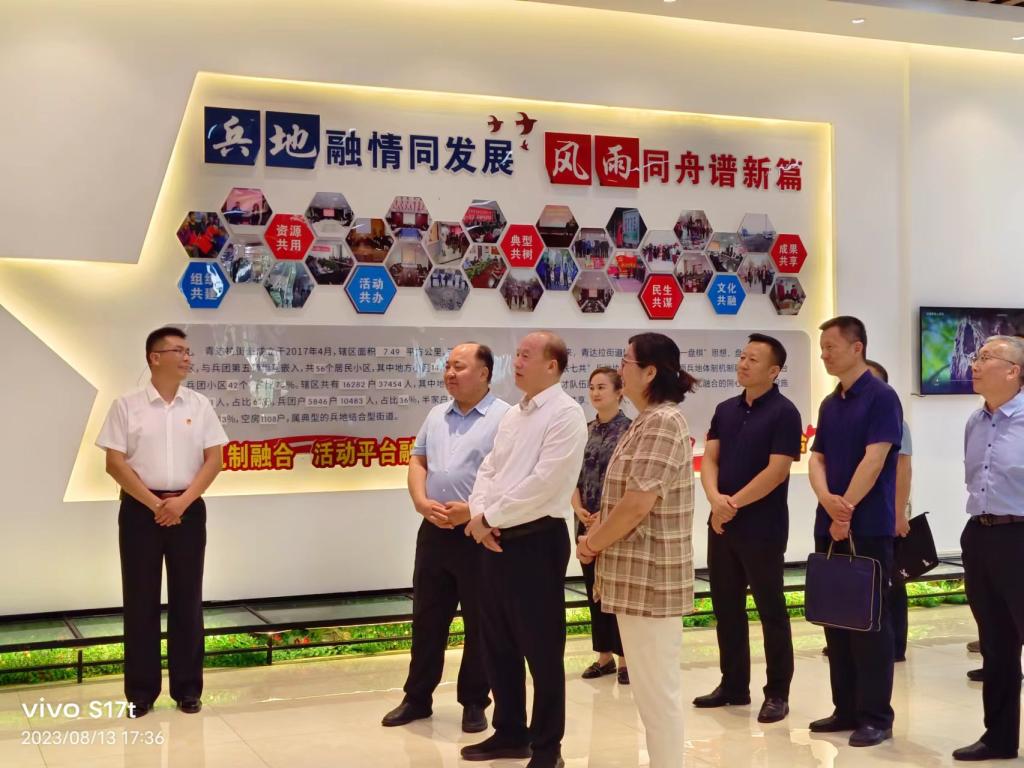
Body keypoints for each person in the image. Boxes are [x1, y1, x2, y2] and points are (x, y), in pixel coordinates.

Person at [461, 331, 587, 768]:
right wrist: (479, 517)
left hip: (536, 539)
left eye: (526, 355)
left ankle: (548, 747)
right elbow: (489, 470)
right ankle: (510, 732)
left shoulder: (566, 413)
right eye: (516, 354)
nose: (516, 362)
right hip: (494, 539)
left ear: (551, 365)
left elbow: (546, 483)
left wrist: (489, 518)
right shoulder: (514, 414)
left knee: (542, 648)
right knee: (497, 641)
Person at [578, 332, 697, 768]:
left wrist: (592, 543)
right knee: (649, 696)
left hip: (652, 581)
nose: (619, 369)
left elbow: (637, 503)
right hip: (634, 579)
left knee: (657, 695)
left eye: (625, 362)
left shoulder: (664, 422)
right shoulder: (645, 422)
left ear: (649, 372)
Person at [95, 327, 227, 718]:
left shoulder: (200, 405)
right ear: (155, 357)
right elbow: (114, 463)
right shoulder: (126, 406)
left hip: (188, 510)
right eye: (179, 351)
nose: (187, 358)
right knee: (140, 601)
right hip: (141, 511)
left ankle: (188, 689)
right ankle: (141, 693)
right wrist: (156, 504)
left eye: (188, 351)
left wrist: (181, 503)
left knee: (188, 600)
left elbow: (215, 460)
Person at [381, 343, 510, 733]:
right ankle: (417, 698)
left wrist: (471, 510)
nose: (450, 373)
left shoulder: (505, 418)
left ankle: (474, 701)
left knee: (479, 621)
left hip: (479, 533)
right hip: (435, 531)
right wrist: (421, 502)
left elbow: (509, 478)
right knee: (427, 617)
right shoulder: (437, 414)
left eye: (460, 367)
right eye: (448, 366)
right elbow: (418, 460)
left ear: (484, 373)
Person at [694, 333, 802, 724]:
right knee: (726, 607)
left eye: (753, 359)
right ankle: (734, 685)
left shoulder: (785, 413)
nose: (743, 364)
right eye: (742, 356)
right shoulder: (725, 409)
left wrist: (732, 504)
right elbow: (710, 460)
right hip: (721, 525)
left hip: (762, 527)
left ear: (774, 371)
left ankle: (777, 693)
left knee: (771, 610)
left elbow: (777, 471)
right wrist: (715, 500)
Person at [807, 316, 903, 748]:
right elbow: (817, 457)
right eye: (822, 348)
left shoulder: (882, 397)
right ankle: (844, 708)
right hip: (830, 522)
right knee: (836, 618)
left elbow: (875, 459)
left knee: (869, 623)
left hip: (867, 526)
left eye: (831, 346)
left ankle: (876, 717)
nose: (824, 354)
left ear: (857, 347)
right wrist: (827, 499)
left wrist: (844, 508)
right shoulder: (831, 403)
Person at [952, 335, 1024, 762]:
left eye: (985, 357)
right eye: (976, 356)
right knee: (995, 644)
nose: (974, 364)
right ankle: (998, 738)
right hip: (980, 535)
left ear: (1014, 371)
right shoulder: (975, 422)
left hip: (1020, 535)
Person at [571, 367, 632, 685]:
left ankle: (626, 659)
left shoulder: (630, 431)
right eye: (592, 387)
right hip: (585, 521)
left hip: (615, 523)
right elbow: (572, 475)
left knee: (618, 593)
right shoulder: (584, 430)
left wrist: (605, 515)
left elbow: (631, 483)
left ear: (620, 392)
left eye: (602, 387)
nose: (595, 393)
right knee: (593, 590)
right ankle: (604, 656)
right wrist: (578, 508)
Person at [867, 360, 913, 662]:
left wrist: (898, 514)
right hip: (857, 515)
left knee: (892, 580)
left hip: (886, 512)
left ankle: (895, 645)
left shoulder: (896, 421)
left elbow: (903, 468)